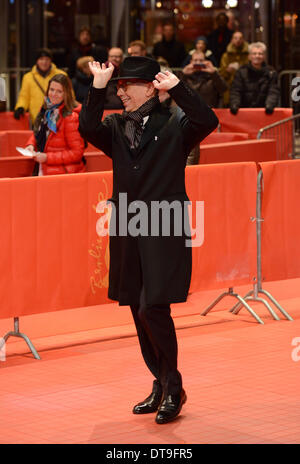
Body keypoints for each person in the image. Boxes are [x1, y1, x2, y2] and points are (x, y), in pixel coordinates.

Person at [79, 56, 218, 424]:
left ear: (151, 87)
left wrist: (178, 88)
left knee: (151, 307)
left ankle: (173, 386)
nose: (120, 91)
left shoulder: (176, 124)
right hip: (127, 226)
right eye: (118, 85)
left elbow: (208, 120)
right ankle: (161, 380)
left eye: (126, 85)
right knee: (136, 310)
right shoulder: (115, 126)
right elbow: (86, 126)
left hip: (163, 225)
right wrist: (97, 86)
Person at [25, 73, 85, 176]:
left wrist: (47, 157)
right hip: (45, 170)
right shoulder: (46, 109)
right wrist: (31, 144)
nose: (53, 94)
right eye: (51, 90)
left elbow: (77, 153)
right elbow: (39, 132)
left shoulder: (71, 117)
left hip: (64, 175)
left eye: (59, 91)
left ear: (66, 93)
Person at [14, 48, 67, 125]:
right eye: (41, 59)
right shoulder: (28, 77)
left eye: (47, 59)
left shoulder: (61, 75)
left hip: (58, 116)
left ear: (51, 61)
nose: (44, 62)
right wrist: (20, 107)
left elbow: (68, 95)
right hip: (37, 118)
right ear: (37, 61)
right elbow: (24, 96)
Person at [229, 42, 280, 114]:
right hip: (244, 111)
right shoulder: (241, 72)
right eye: (254, 54)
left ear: (264, 56)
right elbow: (236, 91)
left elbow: (273, 91)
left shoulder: (271, 72)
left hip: (264, 111)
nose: (257, 56)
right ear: (249, 56)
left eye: (260, 54)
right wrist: (234, 104)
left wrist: (270, 105)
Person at [219, 31, 249, 106]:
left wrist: (241, 67)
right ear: (232, 40)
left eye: (240, 38)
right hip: (230, 87)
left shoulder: (248, 55)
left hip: (245, 88)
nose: (238, 40)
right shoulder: (226, 56)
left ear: (243, 40)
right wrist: (227, 70)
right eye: (235, 38)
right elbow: (221, 75)